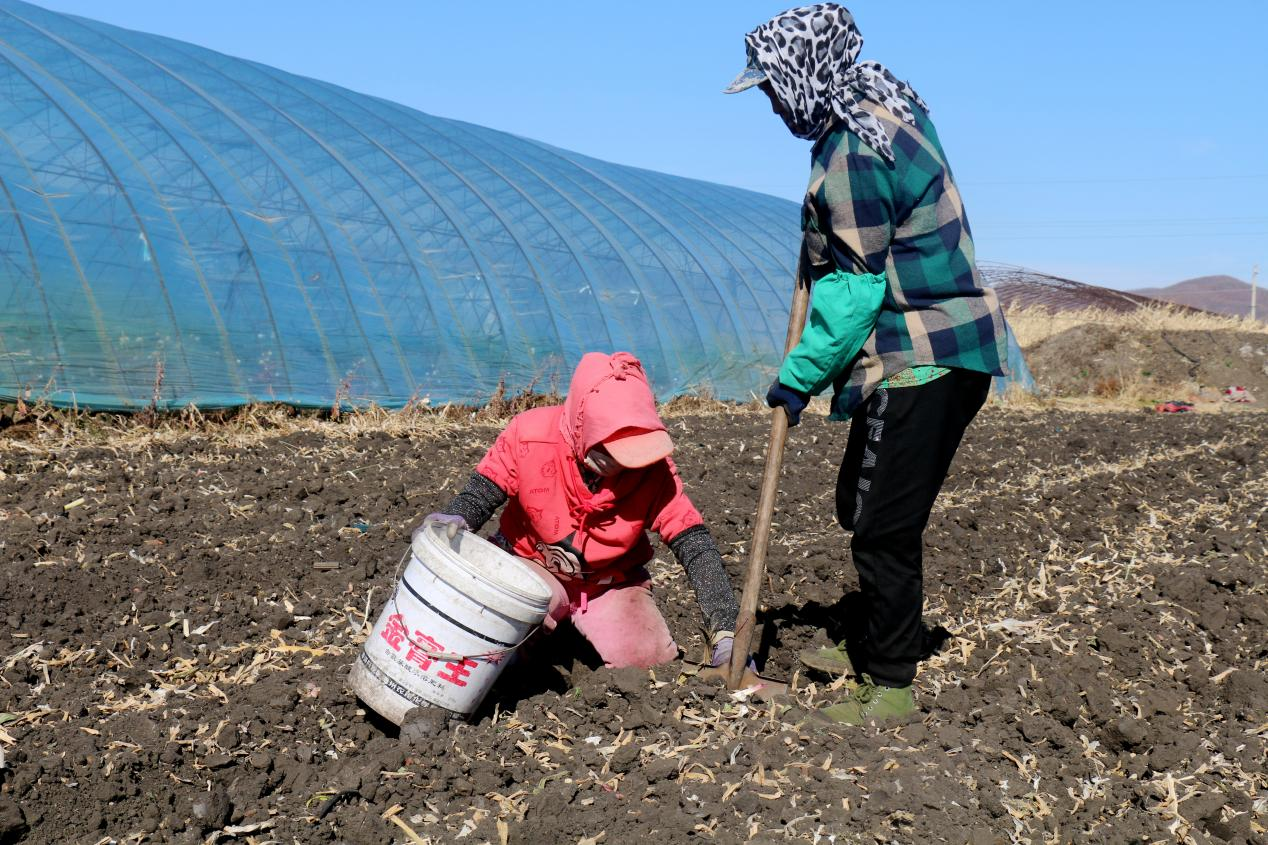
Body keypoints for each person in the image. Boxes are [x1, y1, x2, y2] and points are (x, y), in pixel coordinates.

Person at [725, 4, 1009, 725]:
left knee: (883, 524)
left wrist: (798, 377)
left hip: (922, 354)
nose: (768, 101)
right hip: (948, 348)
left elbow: (854, 293)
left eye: (769, 88)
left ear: (799, 78)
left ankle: (888, 684)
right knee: (858, 501)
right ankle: (875, 636)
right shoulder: (883, 105)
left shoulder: (852, 149)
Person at [421, 351, 740, 672]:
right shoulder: (530, 435)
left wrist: (726, 630)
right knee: (492, 647)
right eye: (608, 450)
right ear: (579, 425)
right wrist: (458, 516)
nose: (620, 463)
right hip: (530, 567)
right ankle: (543, 638)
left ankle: (573, 633)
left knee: (648, 663)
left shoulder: (652, 471)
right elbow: (483, 490)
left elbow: (695, 544)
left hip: (610, 584)